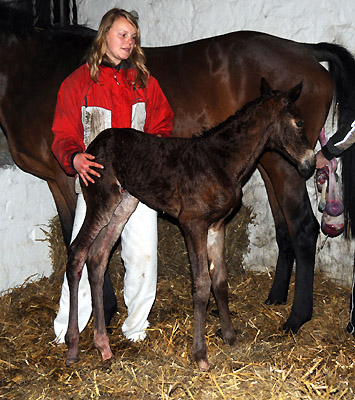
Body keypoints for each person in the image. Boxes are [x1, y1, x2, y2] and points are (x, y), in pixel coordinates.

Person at [51, 8, 174, 343]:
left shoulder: (144, 82)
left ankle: (136, 329)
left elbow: (162, 124)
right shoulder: (78, 83)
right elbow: (63, 133)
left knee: (143, 254)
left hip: (139, 187)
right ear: (104, 35)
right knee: (82, 254)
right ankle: (64, 332)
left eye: (133, 38)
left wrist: (153, 156)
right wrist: (73, 157)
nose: (128, 42)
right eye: (122, 35)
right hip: (97, 187)